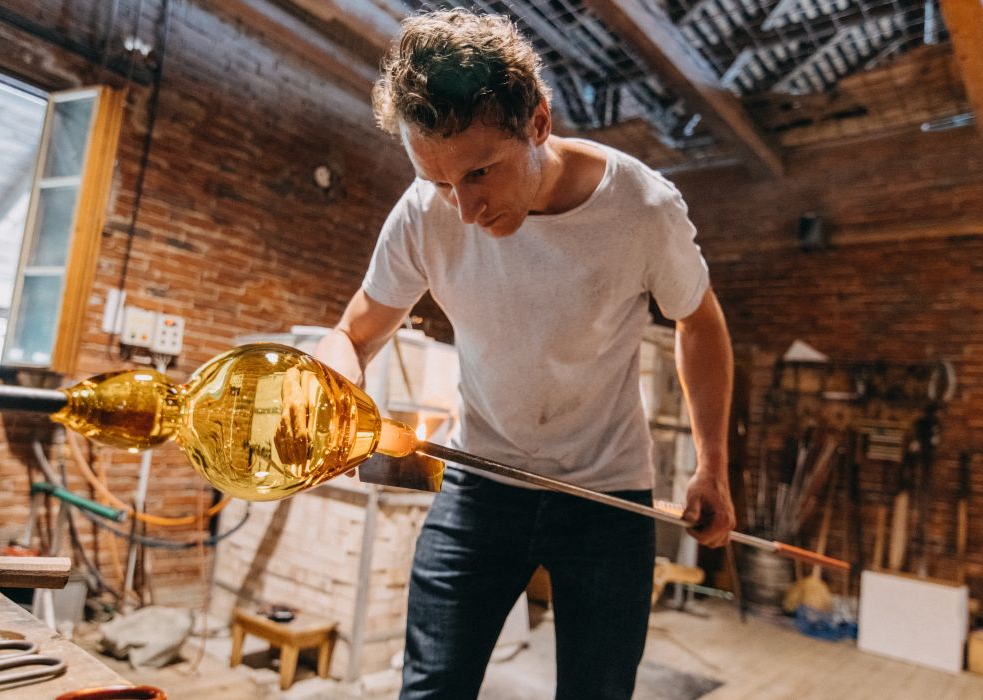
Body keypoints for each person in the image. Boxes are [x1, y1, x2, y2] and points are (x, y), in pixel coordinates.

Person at [312, 9, 735, 700]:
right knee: (430, 690)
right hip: (480, 482)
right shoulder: (424, 213)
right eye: (440, 181)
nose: (464, 209)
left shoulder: (641, 209)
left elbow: (699, 322)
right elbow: (355, 332)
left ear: (538, 122)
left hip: (606, 494)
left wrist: (711, 467)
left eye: (481, 172)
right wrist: (327, 385)